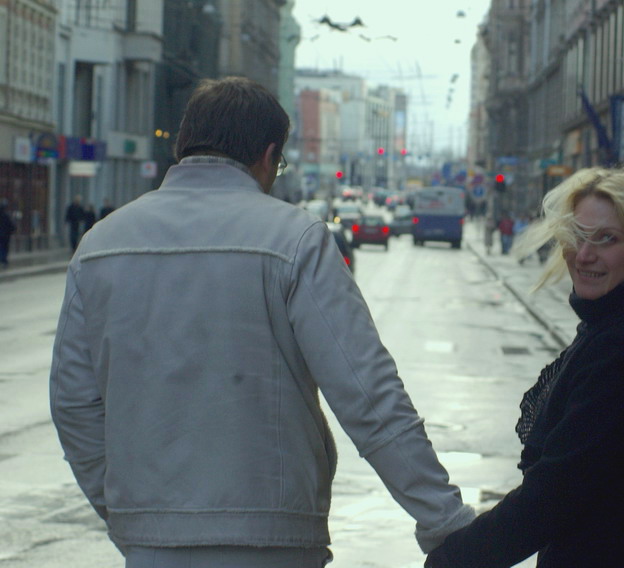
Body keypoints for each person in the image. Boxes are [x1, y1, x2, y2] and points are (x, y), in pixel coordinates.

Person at [49, 77, 473, 568]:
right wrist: (445, 519)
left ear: (183, 145)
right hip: (272, 537)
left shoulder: (99, 245)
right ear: (268, 156)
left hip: (150, 541)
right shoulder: (296, 239)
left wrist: (128, 507)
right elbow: (367, 392)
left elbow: (73, 402)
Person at [425, 166, 624, 567]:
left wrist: (452, 559)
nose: (584, 255)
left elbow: (556, 492)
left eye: (607, 239)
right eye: (578, 236)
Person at [0, 200, 15, 267]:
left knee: (2, 247)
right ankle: (3, 259)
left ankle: (2, 258)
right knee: (4, 247)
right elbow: (11, 225)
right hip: (5, 235)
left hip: (3, 234)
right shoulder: (6, 216)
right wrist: (12, 230)